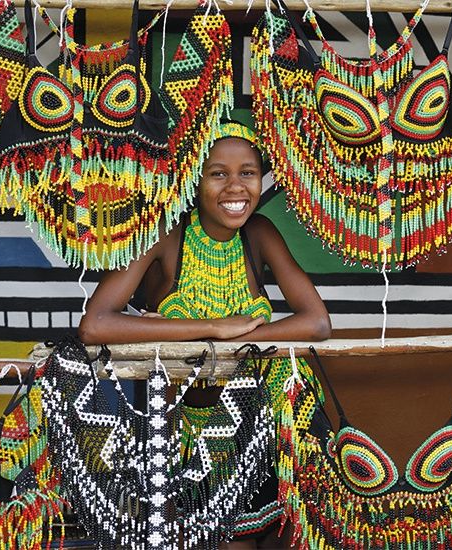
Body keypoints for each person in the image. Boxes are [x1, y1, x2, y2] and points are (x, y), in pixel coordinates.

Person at [78, 121, 331, 548]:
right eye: (219, 173)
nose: (236, 187)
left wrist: (232, 339)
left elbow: (317, 322)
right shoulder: (166, 233)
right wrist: (213, 328)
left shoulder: (260, 234)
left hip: (264, 429)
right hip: (183, 436)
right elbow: (95, 324)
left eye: (248, 173)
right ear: (195, 179)